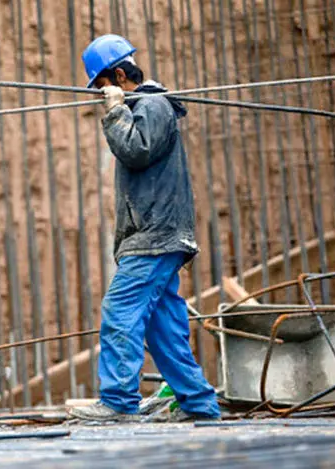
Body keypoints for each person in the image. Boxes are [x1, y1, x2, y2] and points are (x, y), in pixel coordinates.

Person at [69, 34, 220, 422]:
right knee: (163, 328)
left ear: (119, 75)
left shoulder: (152, 104)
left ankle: (118, 401)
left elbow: (136, 151)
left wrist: (116, 112)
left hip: (154, 236)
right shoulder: (146, 106)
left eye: (102, 87)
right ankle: (199, 404)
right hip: (158, 235)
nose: (99, 96)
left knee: (120, 310)